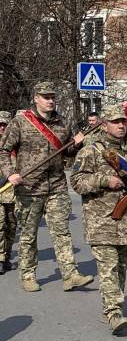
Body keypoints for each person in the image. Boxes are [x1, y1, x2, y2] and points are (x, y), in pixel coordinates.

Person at [70, 104, 127, 335]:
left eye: (123, 122)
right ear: (104, 124)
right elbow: (77, 182)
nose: (121, 126)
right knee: (108, 268)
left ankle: (111, 306)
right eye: (115, 122)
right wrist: (103, 181)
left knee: (120, 268)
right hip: (101, 221)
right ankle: (114, 313)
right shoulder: (91, 150)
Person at [0, 82, 93, 292]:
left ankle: (70, 275)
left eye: (52, 97)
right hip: (29, 187)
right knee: (28, 235)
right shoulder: (21, 122)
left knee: (62, 232)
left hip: (57, 186)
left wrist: (77, 144)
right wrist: (10, 173)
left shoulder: (62, 123)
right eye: (45, 97)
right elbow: (3, 151)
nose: (50, 101)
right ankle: (28, 274)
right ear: (36, 98)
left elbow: (66, 153)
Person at [0, 111, 17, 274]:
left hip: (13, 194)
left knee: (12, 227)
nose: (2, 128)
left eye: (5, 125)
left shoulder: (15, 145)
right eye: (0, 125)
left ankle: (6, 257)